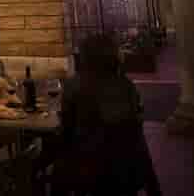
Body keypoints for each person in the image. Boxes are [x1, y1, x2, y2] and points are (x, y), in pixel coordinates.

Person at [50, 34, 161, 196]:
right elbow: (136, 130)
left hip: (89, 170)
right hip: (128, 169)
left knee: (57, 157)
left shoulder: (75, 85)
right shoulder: (126, 86)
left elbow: (67, 131)